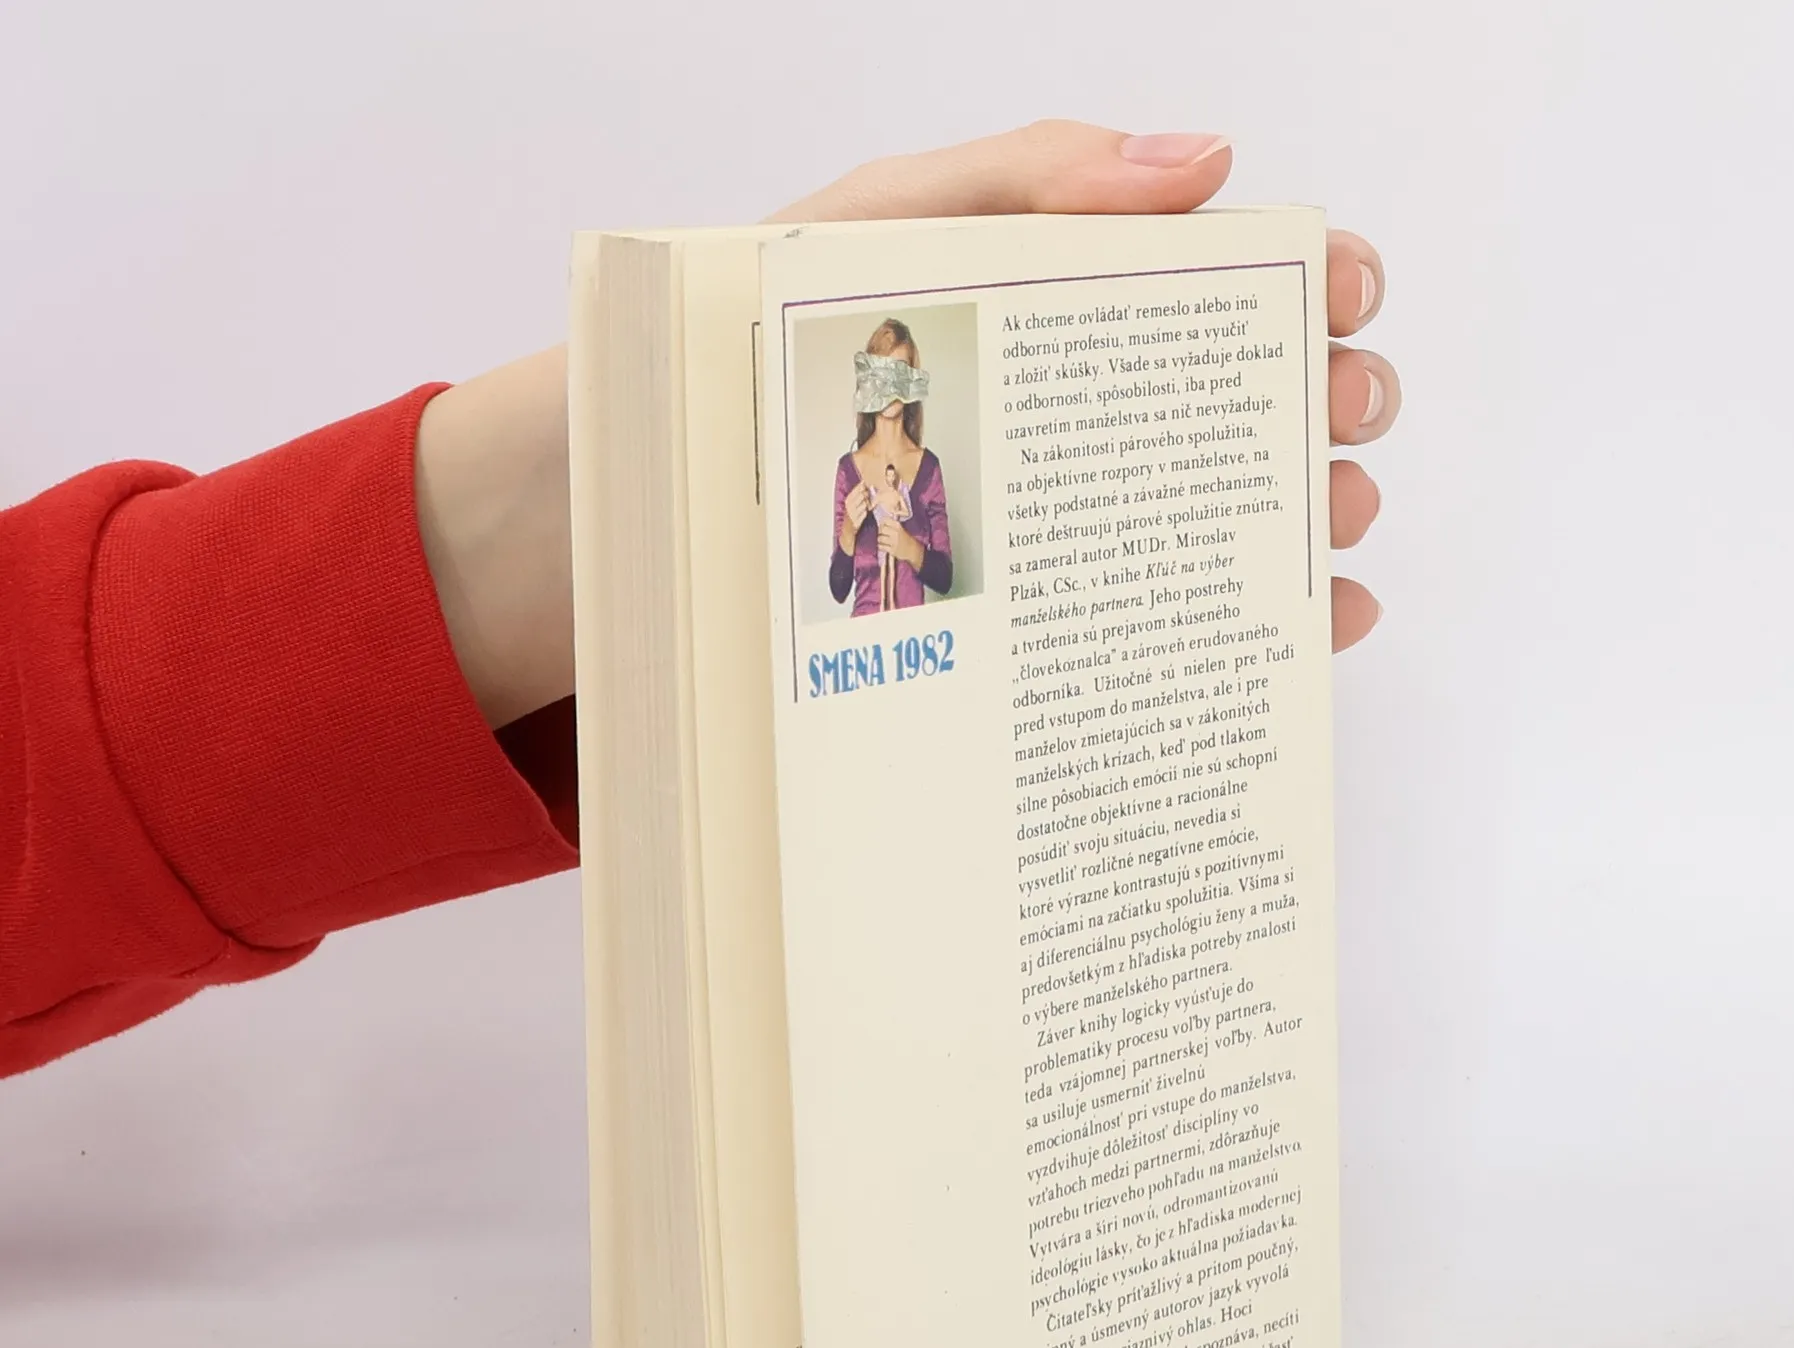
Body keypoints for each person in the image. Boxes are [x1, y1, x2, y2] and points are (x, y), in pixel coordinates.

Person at [0, 121, 1400, 1082]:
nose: (891, 408)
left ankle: (599, 492)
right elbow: (859, 558)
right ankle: (601, 492)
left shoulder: (913, 474)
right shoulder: (865, 476)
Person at [831, 319, 953, 616]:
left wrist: (910, 549)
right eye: (882, 375)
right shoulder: (848, 470)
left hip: (915, 635)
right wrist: (848, 530)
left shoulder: (929, 468)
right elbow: (838, 589)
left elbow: (945, 579)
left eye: (900, 372)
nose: (891, 388)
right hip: (864, 634)